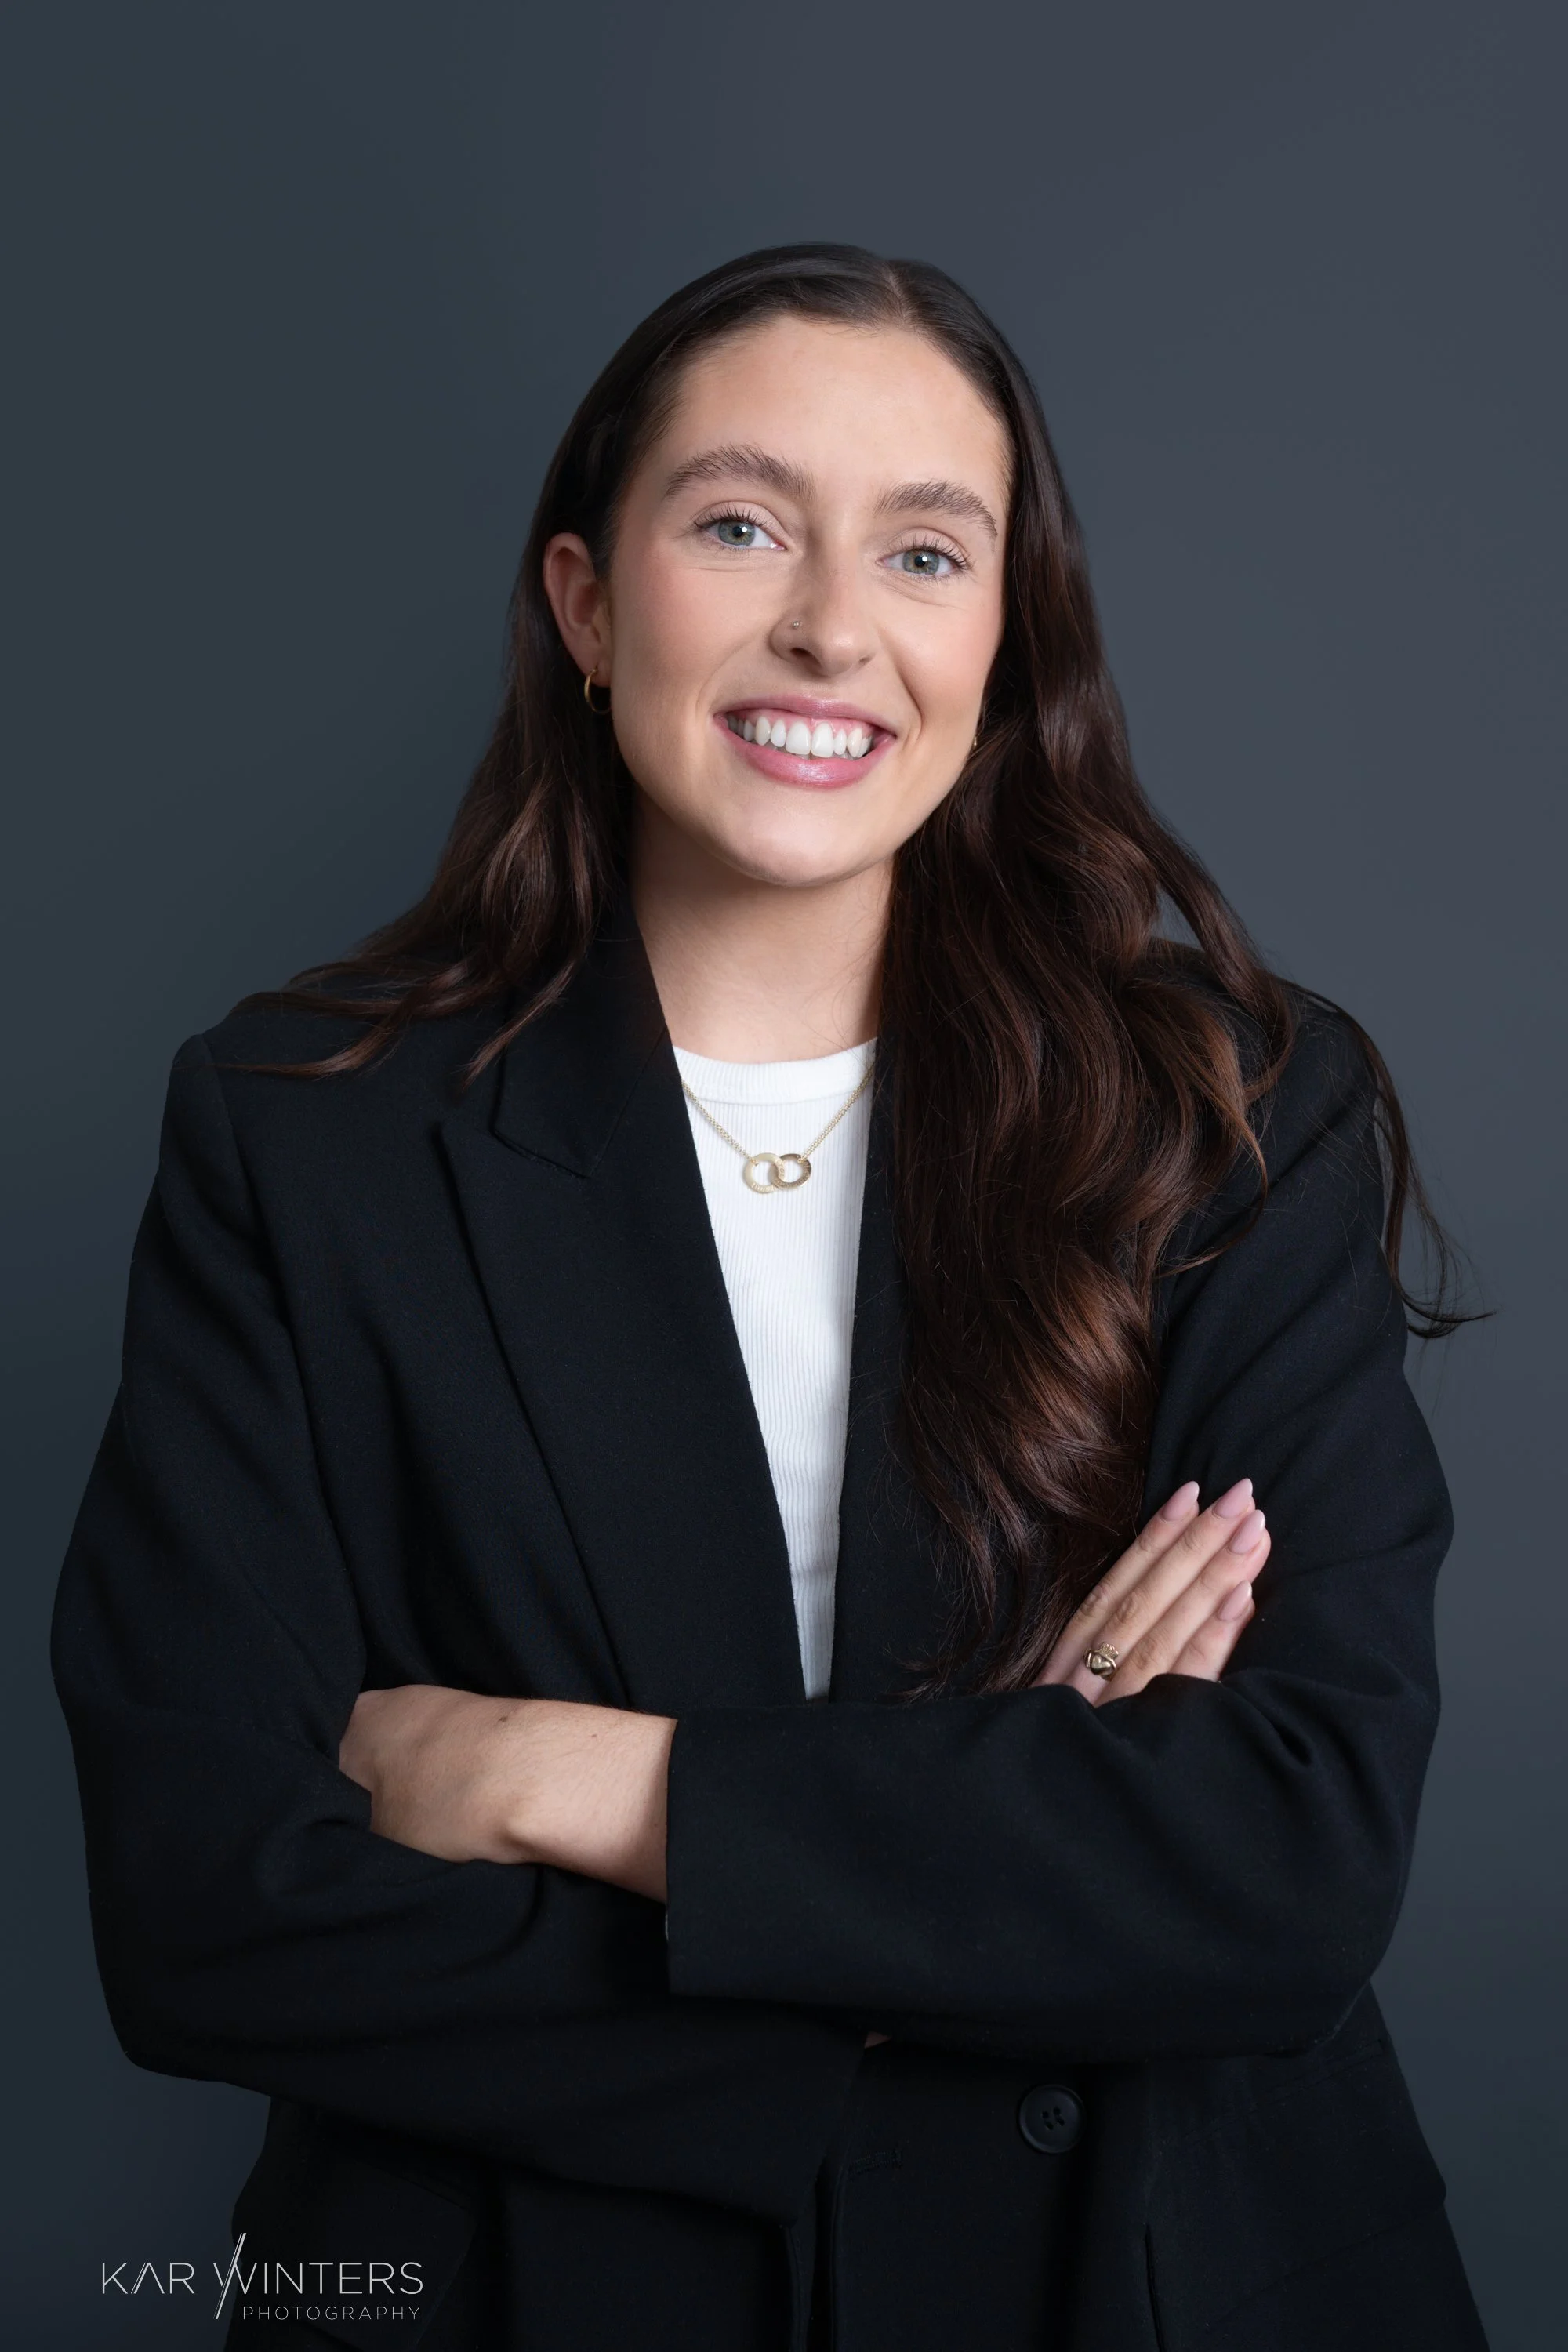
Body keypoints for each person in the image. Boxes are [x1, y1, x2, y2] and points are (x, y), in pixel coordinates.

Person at [52, 244, 1490, 2351]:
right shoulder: (302, 1133)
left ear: (1003, 641)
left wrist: (574, 1784)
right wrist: (971, 1921)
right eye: (740, 525)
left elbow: (1283, 1860)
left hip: (1153, 2289)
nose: (831, 623)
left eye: (926, 549)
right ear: (582, 599)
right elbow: (206, 1905)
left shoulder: (1235, 1113)